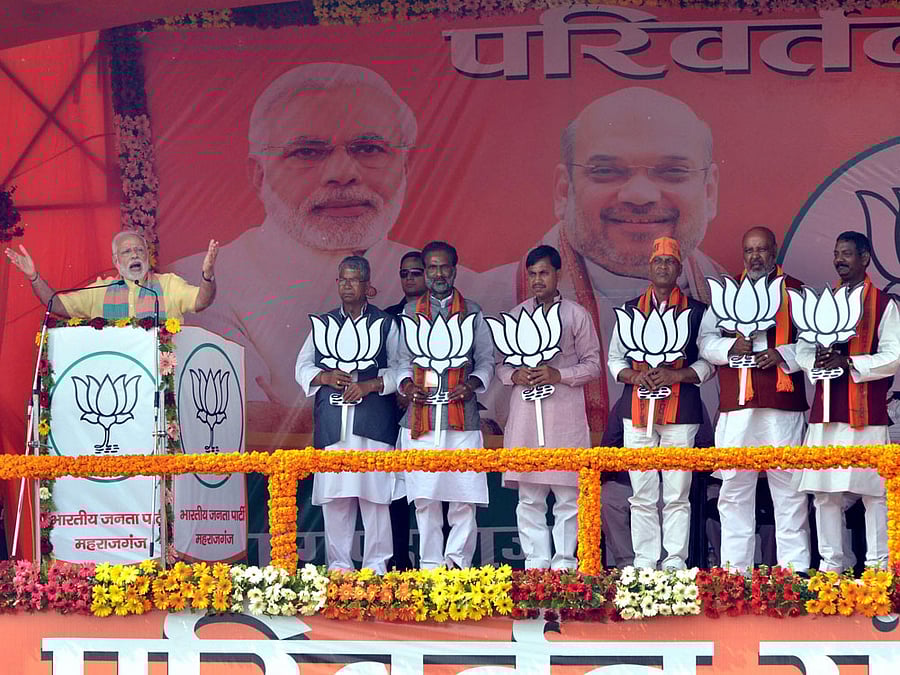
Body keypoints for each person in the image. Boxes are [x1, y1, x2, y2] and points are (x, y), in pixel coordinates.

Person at [168, 62, 421, 434]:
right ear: (259, 175)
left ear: (405, 167)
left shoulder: (455, 286)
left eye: (369, 148)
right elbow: (233, 415)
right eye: (307, 152)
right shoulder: (202, 285)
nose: (342, 173)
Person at [476, 86, 726, 433]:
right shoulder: (495, 299)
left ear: (710, 190)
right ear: (564, 190)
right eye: (606, 171)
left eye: (672, 172)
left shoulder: (730, 301)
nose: (640, 195)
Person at [698, 227, 811, 573]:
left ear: (774, 251)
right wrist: (731, 347)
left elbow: (814, 342)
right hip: (737, 408)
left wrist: (782, 354)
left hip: (782, 406)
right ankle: (736, 573)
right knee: (734, 488)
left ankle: (793, 571)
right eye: (749, 250)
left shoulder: (795, 291)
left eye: (762, 249)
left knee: (789, 488)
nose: (755, 257)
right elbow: (705, 342)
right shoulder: (727, 293)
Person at [794, 231, 900, 572]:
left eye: (847, 254)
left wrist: (850, 363)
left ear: (865, 258)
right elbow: (803, 347)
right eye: (836, 253)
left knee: (874, 493)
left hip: (866, 413)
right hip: (826, 412)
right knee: (825, 493)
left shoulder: (883, 304)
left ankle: (878, 569)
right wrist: (815, 362)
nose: (839, 259)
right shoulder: (823, 303)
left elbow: (894, 356)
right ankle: (832, 567)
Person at [608, 236, 713, 570]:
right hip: (636, 411)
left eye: (670, 261)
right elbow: (614, 360)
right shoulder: (629, 310)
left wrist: (675, 375)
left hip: (682, 411)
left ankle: (675, 561)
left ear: (679, 268)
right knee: (641, 492)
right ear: (649, 268)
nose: (664, 266)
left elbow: (709, 363)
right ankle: (644, 561)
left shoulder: (698, 312)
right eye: (658, 261)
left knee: (677, 491)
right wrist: (635, 376)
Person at [294, 255, 401, 574]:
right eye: (342, 279)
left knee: (375, 499)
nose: (347, 285)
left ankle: (376, 568)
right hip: (334, 424)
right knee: (336, 500)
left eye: (354, 279)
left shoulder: (385, 323)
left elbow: (402, 369)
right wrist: (325, 377)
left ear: (368, 286)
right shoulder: (324, 324)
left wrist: (370, 385)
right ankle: (339, 568)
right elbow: (302, 366)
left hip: (373, 425)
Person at [498, 245, 601, 569]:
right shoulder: (516, 317)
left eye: (543, 273)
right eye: (532, 274)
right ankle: (536, 564)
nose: (537, 280)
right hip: (526, 415)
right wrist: (515, 374)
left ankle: (564, 564)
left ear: (558, 274)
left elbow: (594, 365)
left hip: (564, 415)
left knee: (568, 496)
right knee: (529, 496)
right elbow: (500, 366)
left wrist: (559, 374)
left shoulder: (576, 315)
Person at [396, 241, 494, 569]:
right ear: (425, 272)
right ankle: (430, 566)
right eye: (432, 268)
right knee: (425, 498)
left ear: (454, 270)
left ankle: (457, 566)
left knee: (463, 497)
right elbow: (400, 360)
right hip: (420, 419)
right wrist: (407, 385)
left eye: (444, 267)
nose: (438, 274)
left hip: (461, 417)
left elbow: (486, 360)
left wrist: (472, 384)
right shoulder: (410, 313)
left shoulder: (473, 311)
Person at [6, 231, 218, 321]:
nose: (134, 254)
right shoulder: (101, 290)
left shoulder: (169, 284)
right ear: (116, 261)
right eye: (127, 252)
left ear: (148, 255)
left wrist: (207, 276)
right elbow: (57, 305)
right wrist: (34, 277)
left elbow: (201, 301)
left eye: (140, 250)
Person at [384, 250, 426, 570]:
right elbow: (383, 363)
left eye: (416, 272)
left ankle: (435, 563)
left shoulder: (446, 312)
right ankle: (400, 559)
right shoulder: (388, 317)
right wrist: (400, 388)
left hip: (430, 409)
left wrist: (413, 393)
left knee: (433, 491)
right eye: (404, 273)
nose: (409, 279)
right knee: (396, 491)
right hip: (392, 415)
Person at [385, 251, 426, 317]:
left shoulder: (440, 312)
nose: (409, 277)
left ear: (427, 275)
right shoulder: (387, 315)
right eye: (404, 273)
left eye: (415, 273)